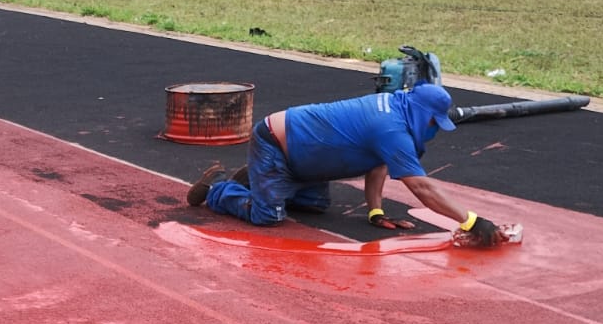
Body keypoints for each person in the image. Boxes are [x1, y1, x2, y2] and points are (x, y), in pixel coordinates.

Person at [187, 83, 510, 247]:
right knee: (267, 216)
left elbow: (378, 162)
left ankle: (260, 181)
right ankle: (219, 188)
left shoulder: (396, 111)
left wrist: (375, 212)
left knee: (316, 205)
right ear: (422, 112)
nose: (434, 128)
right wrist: (471, 222)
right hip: (275, 142)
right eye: (433, 121)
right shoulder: (392, 128)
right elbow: (421, 186)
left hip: (305, 157)